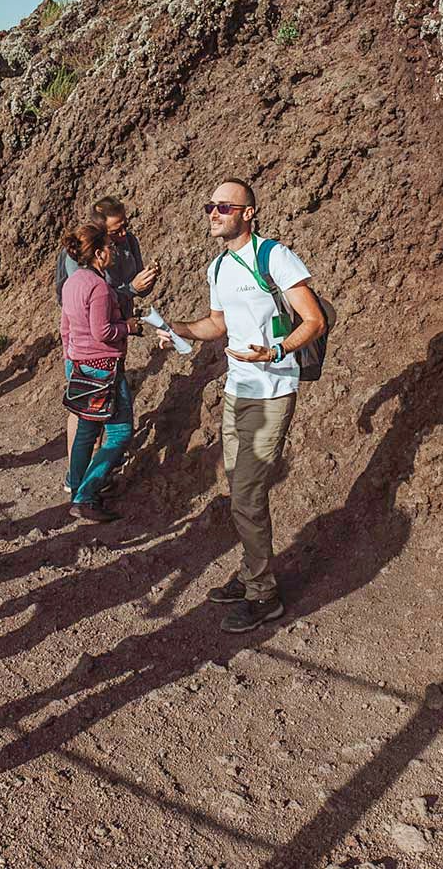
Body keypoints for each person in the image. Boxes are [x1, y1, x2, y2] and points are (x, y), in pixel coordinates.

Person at [157, 178, 326, 634]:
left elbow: (314, 319)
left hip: (273, 391)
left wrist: (275, 352)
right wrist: (178, 329)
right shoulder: (218, 268)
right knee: (239, 492)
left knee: (248, 495)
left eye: (224, 207)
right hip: (237, 391)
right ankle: (254, 572)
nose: (214, 213)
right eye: (209, 206)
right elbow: (217, 324)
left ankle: (264, 595)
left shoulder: (273, 256)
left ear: (248, 213)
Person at [54, 198, 157, 494]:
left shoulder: (127, 242)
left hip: (102, 348)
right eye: (116, 231)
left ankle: (85, 482)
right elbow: (89, 306)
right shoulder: (80, 263)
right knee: (90, 419)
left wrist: (142, 284)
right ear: (98, 241)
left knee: (93, 418)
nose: (123, 235)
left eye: (125, 226)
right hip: (92, 351)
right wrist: (130, 298)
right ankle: (81, 486)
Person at [60, 223, 144, 522]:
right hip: (104, 369)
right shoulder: (98, 286)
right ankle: (86, 496)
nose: (113, 251)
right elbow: (103, 331)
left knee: (86, 432)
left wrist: (72, 362)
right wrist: (129, 327)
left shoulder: (72, 282)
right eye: (109, 247)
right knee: (120, 432)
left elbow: (66, 328)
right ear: (98, 254)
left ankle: (77, 490)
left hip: (81, 366)